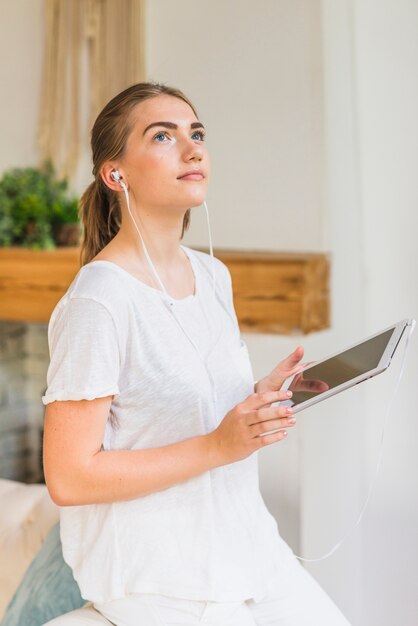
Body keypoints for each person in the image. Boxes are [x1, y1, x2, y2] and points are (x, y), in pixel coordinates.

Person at [42, 82, 350, 626]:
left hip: (251, 550)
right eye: (163, 136)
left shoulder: (211, 275)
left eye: (197, 133)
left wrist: (259, 399)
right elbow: (69, 478)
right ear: (116, 175)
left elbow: (185, 410)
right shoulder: (98, 301)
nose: (193, 149)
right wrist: (218, 445)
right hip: (163, 579)